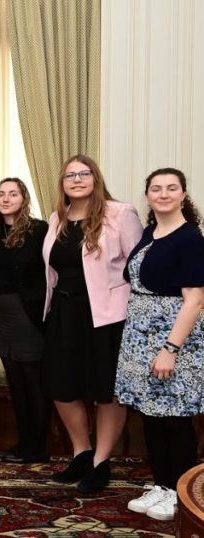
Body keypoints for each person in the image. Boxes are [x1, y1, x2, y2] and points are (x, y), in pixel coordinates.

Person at [43, 155, 142, 493]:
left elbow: (137, 267)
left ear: (95, 178)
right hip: (63, 313)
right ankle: (81, 452)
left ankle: (101, 461)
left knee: (106, 389)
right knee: (61, 385)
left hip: (106, 315)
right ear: (62, 183)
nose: (77, 179)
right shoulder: (57, 218)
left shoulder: (120, 214)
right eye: (70, 175)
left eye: (84, 173)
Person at [115, 168, 204, 521]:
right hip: (140, 336)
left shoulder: (190, 239)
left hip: (172, 337)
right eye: (156, 188)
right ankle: (162, 485)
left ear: (183, 194)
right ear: (148, 195)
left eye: (171, 188)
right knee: (150, 415)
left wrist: (170, 349)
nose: (163, 194)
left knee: (175, 418)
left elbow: (195, 300)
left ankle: (182, 494)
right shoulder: (151, 231)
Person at [0, 178, 50, 464]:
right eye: (1, 194)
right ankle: (23, 443)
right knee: (15, 383)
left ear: (23, 198)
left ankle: (38, 447)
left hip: (27, 313)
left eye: (13, 194)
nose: (6, 199)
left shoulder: (39, 230)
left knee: (33, 382)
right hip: (2, 315)